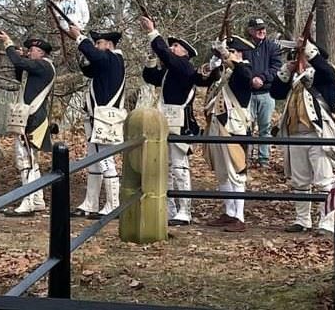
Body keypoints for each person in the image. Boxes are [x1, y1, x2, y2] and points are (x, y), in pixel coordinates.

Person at [270, 39, 335, 234]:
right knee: (300, 181)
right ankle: (302, 220)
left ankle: (326, 223)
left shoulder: (325, 75)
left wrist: (309, 51)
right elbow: (276, 92)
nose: (299, 58)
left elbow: (325, 71)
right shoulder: (294, 78)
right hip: (295, 133)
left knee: (324, 181)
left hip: (318, 134)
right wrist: (287, 68)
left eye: (302, 54)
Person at [139, 16, 199, 225]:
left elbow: (165, 54)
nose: (172, 49)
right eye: (172, 46)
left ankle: (185, 210)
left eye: (176, 47)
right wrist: (151, 58)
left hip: (180, 124)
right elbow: (150, 77)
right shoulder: (170, 71)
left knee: (180, 167)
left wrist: (152, 32)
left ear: (185, 54)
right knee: (166, 167)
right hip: (164, 121)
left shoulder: (184, 68)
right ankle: (170, 208)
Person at [67, 25, 126, 218]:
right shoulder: (107, 62)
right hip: (96, 118)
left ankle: (113, 204)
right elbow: (89, 69)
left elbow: (96, 57)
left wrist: (79, 38)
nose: (97, 46)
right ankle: (90, 203)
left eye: (99, 43)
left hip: (104, 119)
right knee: (94, 162)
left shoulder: (113, 59)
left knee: (106, 160)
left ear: (109, 44)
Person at [199, 34, 254, 232]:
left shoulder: (243, 69)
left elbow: (245, 76)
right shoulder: (224, 72)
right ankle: (229, 212)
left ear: (238, 53)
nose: (225, 55)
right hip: (217, 125)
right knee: (222, 173)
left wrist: (227, 57)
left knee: (236, 173)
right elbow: (204, 79)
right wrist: (214, 61)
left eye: (230, 51)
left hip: (234, 128)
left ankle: (239, 216)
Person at [0, 33, 56, 216]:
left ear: (41, 53)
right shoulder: (38, 67)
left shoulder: (44, 65)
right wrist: (19, 55)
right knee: (31, 161)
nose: (29, 53)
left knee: (26, 161)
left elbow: (18, 64)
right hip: (31, 118)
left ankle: (28, 201)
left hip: (33, 119)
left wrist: (8, 43)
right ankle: (37, 200)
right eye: (29, 50)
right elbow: (19, 73)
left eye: (32, 50)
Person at [242, 17, 282, 166]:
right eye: (258, 29)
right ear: (250, 31)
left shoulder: (272, 47)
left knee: (265, 127)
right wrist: (251, 79)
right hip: (248, 93)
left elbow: (276, 67)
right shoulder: (244, 47)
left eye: (263, 29)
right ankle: (246, 158)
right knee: (246, 127)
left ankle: (264, 159)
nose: (262, 31)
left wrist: (262, 78)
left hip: (267, 93)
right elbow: (240, 67)